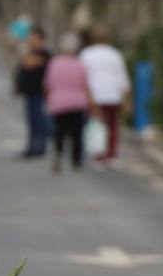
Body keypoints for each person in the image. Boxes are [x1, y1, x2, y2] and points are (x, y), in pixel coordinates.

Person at [78, 25, 131, 163]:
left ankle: (99, 155)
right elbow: (122, 78)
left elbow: (82, 77)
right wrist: (126, 99)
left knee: (97, 125)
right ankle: (111, 154)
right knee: (113, 125)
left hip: (94, 94)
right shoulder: (115, 54)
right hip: (112, 95)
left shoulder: (86, 54)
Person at [43, 33, 91, 172]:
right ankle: (76, 160)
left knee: (60, 131)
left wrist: (48, 99)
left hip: (59, 102)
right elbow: (85, 85)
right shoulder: (79, 64)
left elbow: (47, 84)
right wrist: (91, 103)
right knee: (77, 133)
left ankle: (58, 154)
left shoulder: (54, 63)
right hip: (77, 102)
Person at [14, 26, 52, 158]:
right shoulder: (31, 52)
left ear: (41, 40)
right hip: (29, 92)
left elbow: (28, 63)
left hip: (39, 93)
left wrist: (27, 56)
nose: (31, 41)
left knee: (39, 120)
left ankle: (39, 147)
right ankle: (31, 147)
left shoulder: (45, 54)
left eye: (34, 38)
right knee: (31, 121)